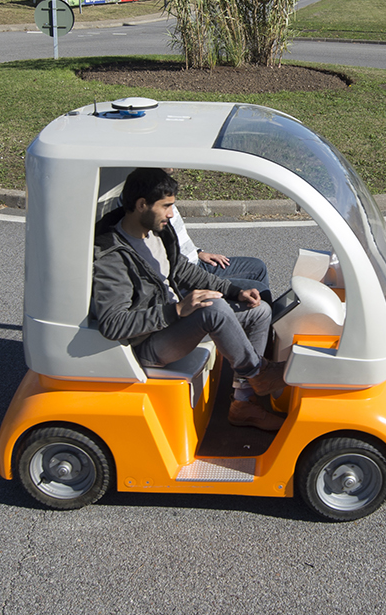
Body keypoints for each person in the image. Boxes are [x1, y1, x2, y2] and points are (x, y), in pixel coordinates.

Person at [91, 168, 284, 431]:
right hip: (149, 343)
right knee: (212, 308)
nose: (172, 214)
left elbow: (183, 271)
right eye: (167, 206)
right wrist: (177, 310)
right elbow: (113, 324)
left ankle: (243, 403)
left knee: (258, 308)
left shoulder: (156, 232)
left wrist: (234, 290)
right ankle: (258, 372)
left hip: (173, 326)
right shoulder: (113, 256)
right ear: (141, 205)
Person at [166, 204, 270, 295]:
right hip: (186, 279)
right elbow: (180, 271)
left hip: (196, 263)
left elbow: (177, 238)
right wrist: (233, 291)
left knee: (258, 268)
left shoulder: (166, 198)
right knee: (260, 291)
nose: (171, 214)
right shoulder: (156, 215)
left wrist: (197, 252)